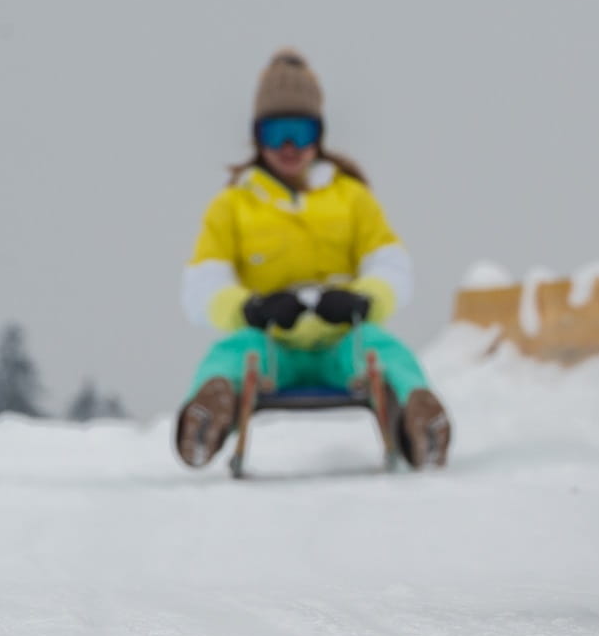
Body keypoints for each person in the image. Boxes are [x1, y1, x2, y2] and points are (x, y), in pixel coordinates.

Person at [174, 49, 451, 469]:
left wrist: (362, 299)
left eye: (300, 132)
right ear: (256, 137)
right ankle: (210, 412)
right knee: (231, 354)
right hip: (271, 344)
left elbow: (391, 264)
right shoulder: (232, 206)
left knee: (385, 352)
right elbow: (203, 284)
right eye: (276, 132)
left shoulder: (352, 199)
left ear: (319, 136)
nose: (289, 147)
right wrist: (250, 309)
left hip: (342, 340)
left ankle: (416, 417)